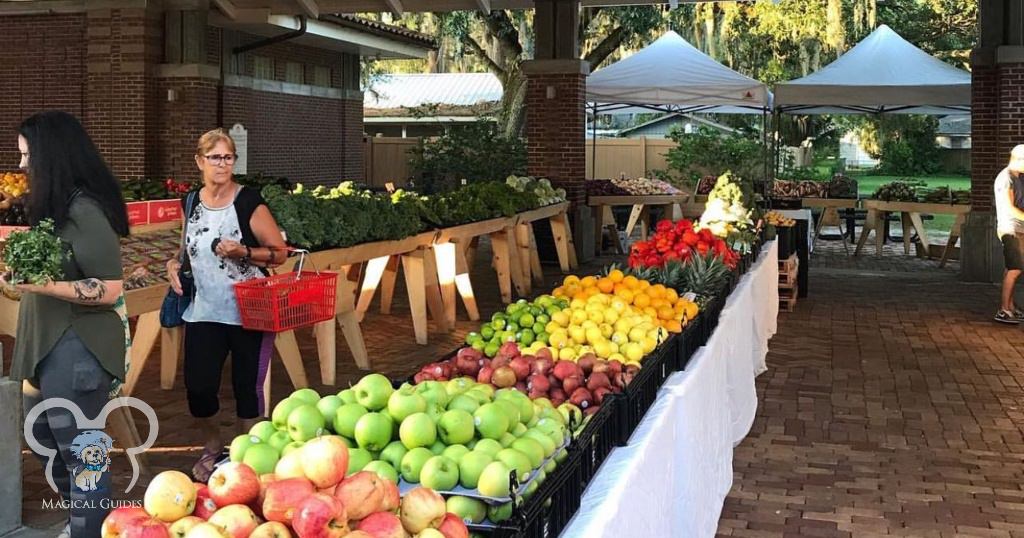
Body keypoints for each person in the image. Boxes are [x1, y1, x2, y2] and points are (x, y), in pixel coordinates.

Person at [6, 111, 129, 538]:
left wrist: (43, 284)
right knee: (41, 434)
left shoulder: (85, 210)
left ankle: (89, 529)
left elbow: (109, 288)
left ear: (51, 156)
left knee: (84, 454)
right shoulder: (56, 208)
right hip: (44, 345)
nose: (22, 166)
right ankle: (83, 522)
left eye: (27, 156)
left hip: (78, 346)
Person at [166, 128, 286, 481]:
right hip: (204, 311)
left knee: (247, 389)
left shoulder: (249, 201)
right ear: (200, 161)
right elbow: (187, 246)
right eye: (215, 157)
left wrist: (244, 251)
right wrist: (174, 264)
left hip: (249, 310)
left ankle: (247, 457)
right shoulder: (191, 202)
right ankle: (213, 442)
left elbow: (279, 253)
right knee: (199, 388)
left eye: (228, 157)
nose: (223, 164)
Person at [994, 145, 1024, 324]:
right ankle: (1004, 309)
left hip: (1019, 228)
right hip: (1010, 229)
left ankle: (1010, 305)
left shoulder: (1018, 177)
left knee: (1012, 268)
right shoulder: (1005, 179)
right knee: (1015, 268)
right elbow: (1009, 207)